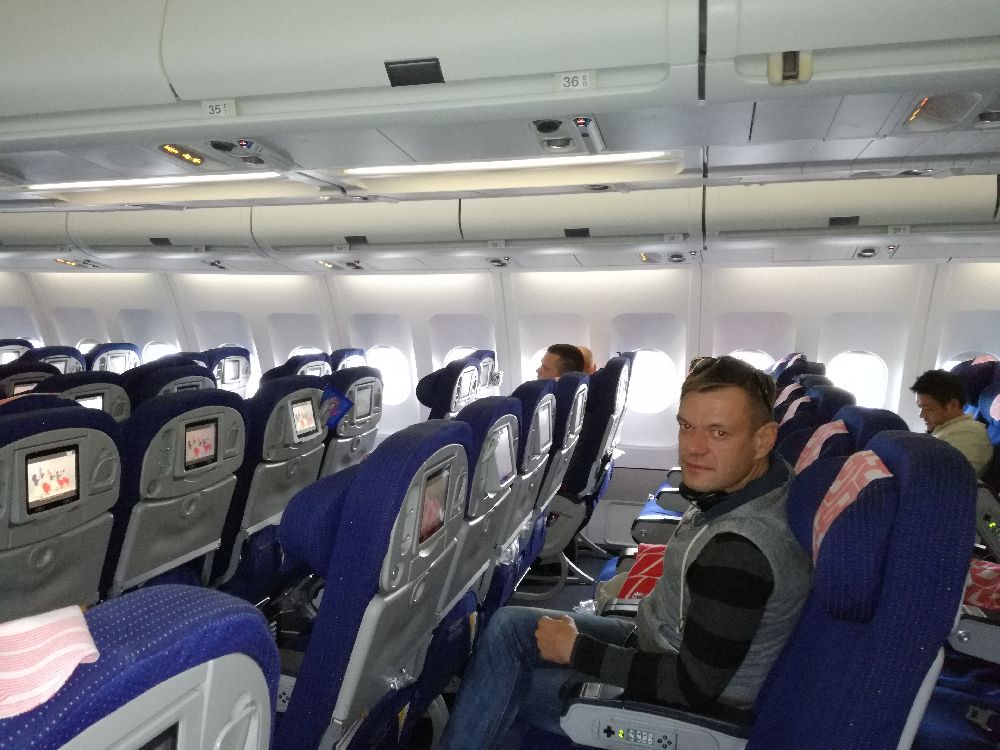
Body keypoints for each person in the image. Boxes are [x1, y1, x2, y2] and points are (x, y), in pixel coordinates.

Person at [438, 356, 812, 748]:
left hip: (684, 710)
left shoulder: (738, 553)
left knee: (501, 686)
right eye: (687, 426)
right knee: (509, 626)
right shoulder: (756, 487)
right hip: (657, 641)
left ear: (763, 439)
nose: (694, 448)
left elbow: (692, 687)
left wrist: (577, 650)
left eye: (719, 432)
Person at [910, 369, 993, 477]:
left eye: (927, 408)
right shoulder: (942, 429)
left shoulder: (970, 434)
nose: (921, 415)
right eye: (920, 407)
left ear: (953, 405)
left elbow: (948, 477)